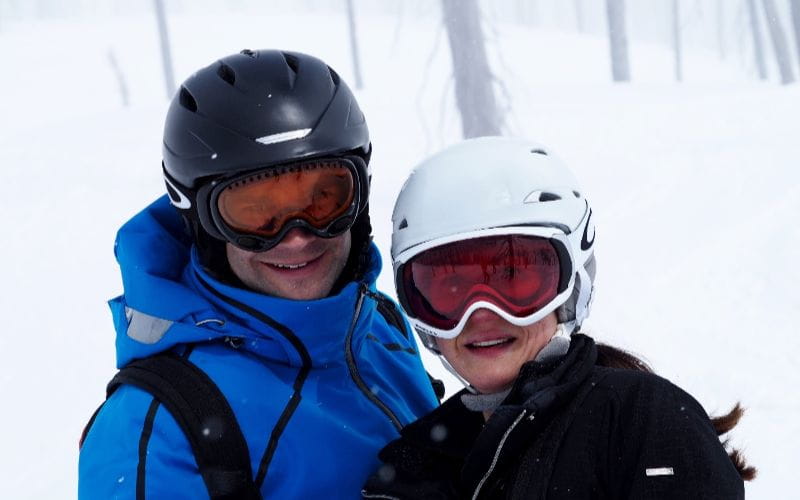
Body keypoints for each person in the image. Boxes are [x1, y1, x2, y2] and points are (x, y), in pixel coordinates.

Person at [78, 49, 439, 499]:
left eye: (324, 200)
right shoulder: (155, 428)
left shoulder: (377, 325)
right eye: (255, 212)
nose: (295, 237)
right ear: (201, 223)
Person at [362, 137, 755, 499]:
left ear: (571, 282)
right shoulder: (413, 468)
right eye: (448, 287)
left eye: (514, 278)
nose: (480, 314)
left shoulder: (640, 422)